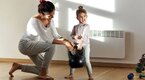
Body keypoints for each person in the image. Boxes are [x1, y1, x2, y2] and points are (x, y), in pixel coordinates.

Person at [9, 0, 73, 80]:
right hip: (25, 45)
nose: (52, 17)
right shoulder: (34, 21)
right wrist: (64, 43)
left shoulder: (50, 20)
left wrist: (67, 41)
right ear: (41, 13)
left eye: (53, 15)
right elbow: (46, 40)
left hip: (33, 45)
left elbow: (56, 35)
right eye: (50, 16)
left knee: (42, 68)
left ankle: (18, 66)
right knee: (51, 47)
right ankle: (43, 74)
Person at [65, 6, 93, 80]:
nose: (83, 18)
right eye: (80, 17)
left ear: (86, 17)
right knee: (72, 59)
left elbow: (82, 36)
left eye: (84, 16)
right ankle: (71, 75)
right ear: (77, 17)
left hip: (85, 45)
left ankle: (90, 76)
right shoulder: (75, 27)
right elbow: (72, 35)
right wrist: (74, 36)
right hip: (77, 45)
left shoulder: (87, 26)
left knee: (87, 60)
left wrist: (77, 37)